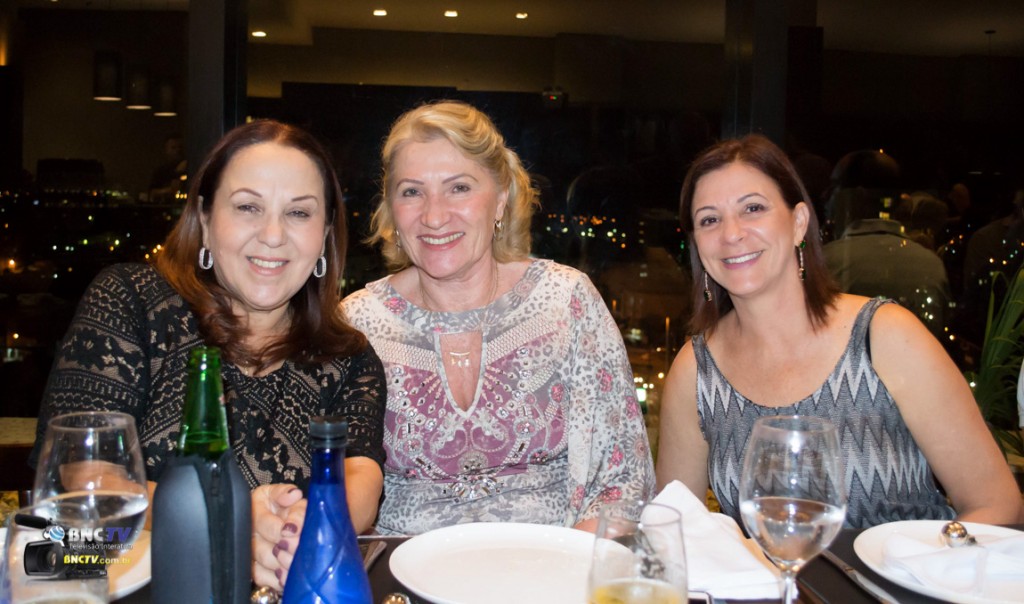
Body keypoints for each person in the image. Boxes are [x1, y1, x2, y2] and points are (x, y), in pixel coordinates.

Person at [31, 120, 387, 592]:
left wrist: (308, 529)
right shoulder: (131, 301)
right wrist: (228, 520)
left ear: (324, 234)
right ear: (204, 217)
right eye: (247, 207)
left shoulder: (349, 358)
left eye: (299, 213)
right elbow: (86, 473)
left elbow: (360, 475)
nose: (273, 235)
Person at [655, 134, 1023, 528]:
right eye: (709, 219)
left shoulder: (884, 335)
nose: (731, 233)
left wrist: (920, 563)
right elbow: (673, 530)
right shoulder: (696, 371)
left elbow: (997, 504)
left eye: (753, 208)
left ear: (799, 222)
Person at [341, 100, 654, 535]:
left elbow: (622, 479)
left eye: (459, 187)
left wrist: (571, 567)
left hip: (554, 562)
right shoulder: (356, 323)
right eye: (412, 191)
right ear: (392, 209)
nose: (434, 215)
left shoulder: (566, 300)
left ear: (501, 199)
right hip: (400, 568)